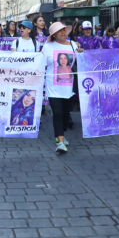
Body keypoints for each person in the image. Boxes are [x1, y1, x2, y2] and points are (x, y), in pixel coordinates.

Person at [44, 22, 83, 153]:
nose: (62, 32)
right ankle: (60, 142)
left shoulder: (73, 45)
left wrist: (81, 53)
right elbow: (39, 63)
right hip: (52, 85)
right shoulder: (47, 47)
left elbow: (82, 60)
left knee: (66, 114)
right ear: (53, 34)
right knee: (57, 113)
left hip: (68, 87)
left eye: (63, 30)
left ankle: (61, 133)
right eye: (59, 31)